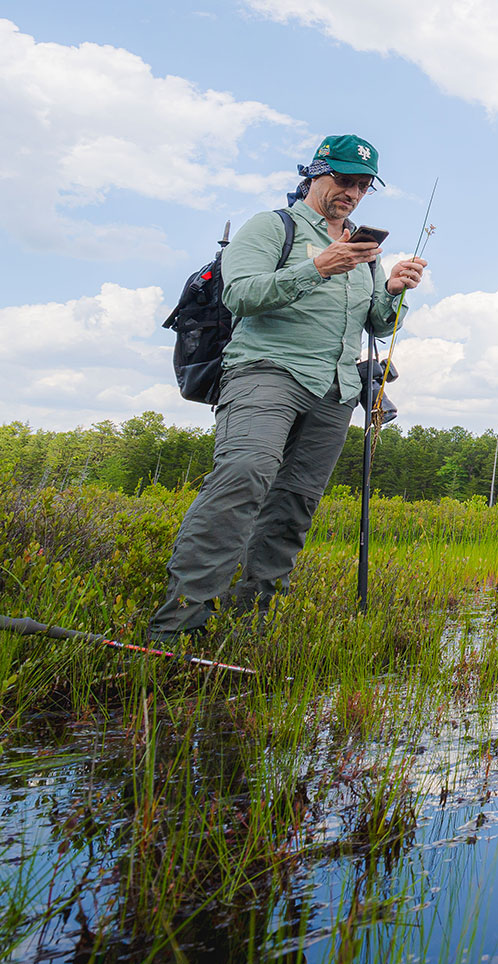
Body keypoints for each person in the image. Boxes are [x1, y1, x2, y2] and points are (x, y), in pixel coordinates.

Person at [146, 134, 426, 642]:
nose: (353, 193)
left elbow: (377, 324)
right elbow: (240, 294)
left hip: (337, 390)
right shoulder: (273, 226)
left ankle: (251, 620)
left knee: (294, 502)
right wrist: (317, 267)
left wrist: (390, 290)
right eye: (344, 180)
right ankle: (178, 627)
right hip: (266, 372)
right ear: (315, 174)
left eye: (364, 185)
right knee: (244, 474)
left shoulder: (364, 247)